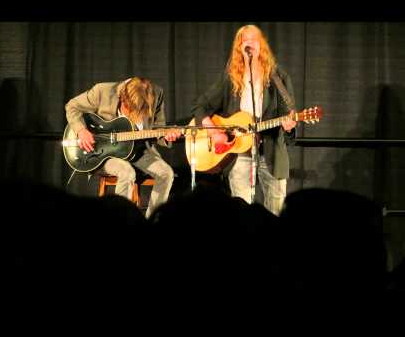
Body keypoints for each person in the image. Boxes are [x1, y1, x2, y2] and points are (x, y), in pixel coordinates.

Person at [192, 24, 297, 216]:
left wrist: (289, 126)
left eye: (253, 38)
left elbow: (288, 113)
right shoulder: (231, 77)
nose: (249, 43)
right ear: (239, 47)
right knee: (241, 212)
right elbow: (200, 106)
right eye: (244, 40)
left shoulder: (278, 76)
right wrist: (214, 132)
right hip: (239, 152)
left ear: (261, 44)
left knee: (276, 211)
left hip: (271, 151)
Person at [65, 76, 181, 218]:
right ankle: (121, 222)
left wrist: (166, 135)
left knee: (166, 173)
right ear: (122, 98)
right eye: (131, 111)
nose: (135, 116)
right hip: (103, 153)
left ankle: (151, 222)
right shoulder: (103, 91)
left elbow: (159, 127)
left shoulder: (156, 94)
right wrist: (81, 130)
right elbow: (72, 106)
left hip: (137, 150)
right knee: (127, 173)